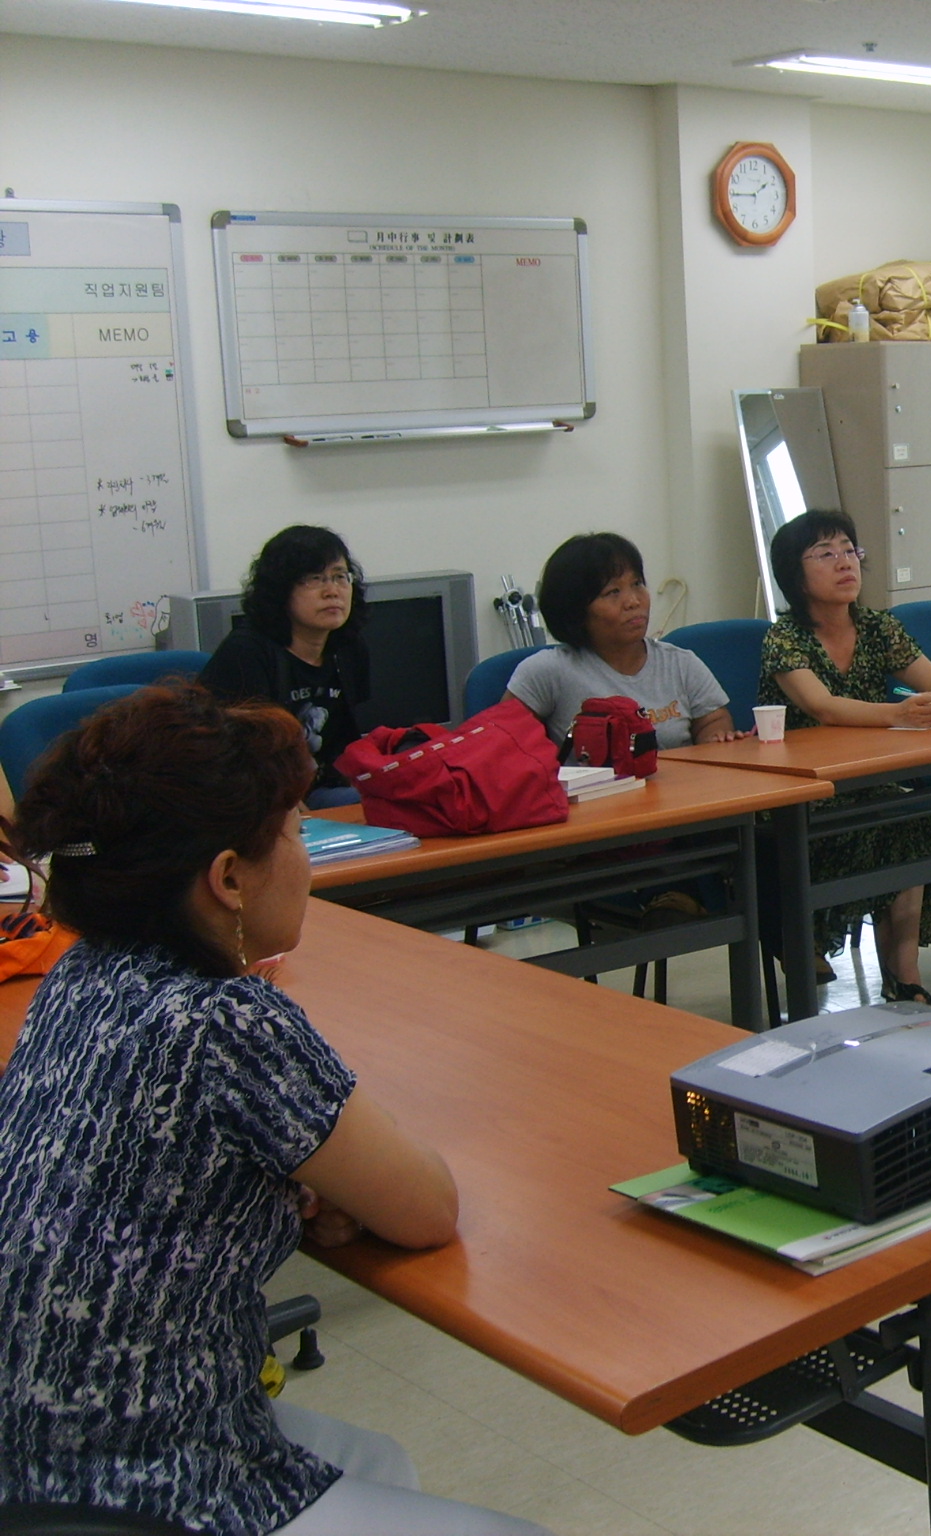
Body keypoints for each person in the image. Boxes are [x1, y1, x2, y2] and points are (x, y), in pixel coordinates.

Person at [0, 683, 550, 1535]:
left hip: (33, 1454)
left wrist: (293, 1192)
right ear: (226, 878)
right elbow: (426, 1207)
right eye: (294, 833)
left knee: (380, 1464)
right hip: (147, 1484)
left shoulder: (79, 975)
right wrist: (332, 1187)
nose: (303, 855)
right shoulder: (226, 1020)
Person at [758, 510, 931, 1006]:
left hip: (868, 782)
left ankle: (905, 976)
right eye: (825, 554)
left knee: (910, 825)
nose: (845, 562)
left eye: (850, 550)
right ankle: (801, 940)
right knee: (885, 823)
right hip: (803, 794)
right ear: (794, 574)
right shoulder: (784, 637)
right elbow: (822, 708)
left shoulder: (877, 627)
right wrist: (898, 714)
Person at [508, 532, 741, 747]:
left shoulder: (680, 663)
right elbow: (503, 741)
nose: (633, 601)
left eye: (637, 584)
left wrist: (716, 736)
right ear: (575, 610)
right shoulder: (549, 671)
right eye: (613, 592)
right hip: (597, 793)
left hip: (680, 790)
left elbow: (713, 720)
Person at [199, 524, 371, 807]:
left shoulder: (348, 649)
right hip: (251, 798)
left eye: (340, 577)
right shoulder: (247, 652)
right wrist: (285, 807)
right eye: (315, 579)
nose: (333, 591)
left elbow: (347, 740)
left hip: (321, 789)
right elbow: (232, 757)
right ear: (280, 590)